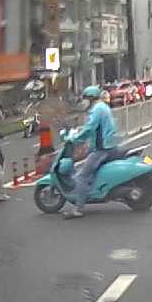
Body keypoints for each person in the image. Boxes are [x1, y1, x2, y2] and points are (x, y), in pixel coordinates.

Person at [62, 85, 119, 219]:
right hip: (109, 145)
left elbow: (89, 129)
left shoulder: (97, 109)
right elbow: (91, 128)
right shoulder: (102, 107)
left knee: (81, 176)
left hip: (103, 149)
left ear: (91, 98)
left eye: (85, 99)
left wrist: (74, 138)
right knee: (87, 170)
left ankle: (78, 209)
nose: (84, 102)